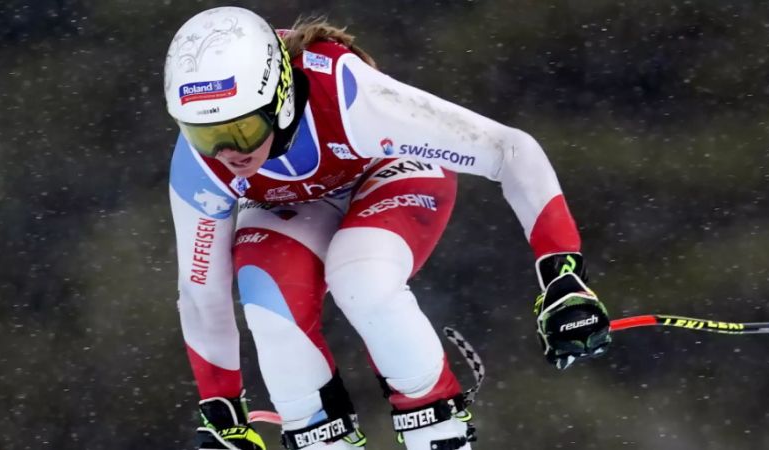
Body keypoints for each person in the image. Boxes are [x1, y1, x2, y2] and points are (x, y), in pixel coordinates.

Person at [163, 6, 611, 450]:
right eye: (204, 134)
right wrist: (221, 410)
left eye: (240, 130)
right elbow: (202, 293)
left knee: (361, 279)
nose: (226, 152)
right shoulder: (198, 165)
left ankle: (439, 433)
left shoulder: (349, 95)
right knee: (265, 299)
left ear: (279, 98)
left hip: (390, 173)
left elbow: (512, 151)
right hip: (296, 204)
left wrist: (562, 274)